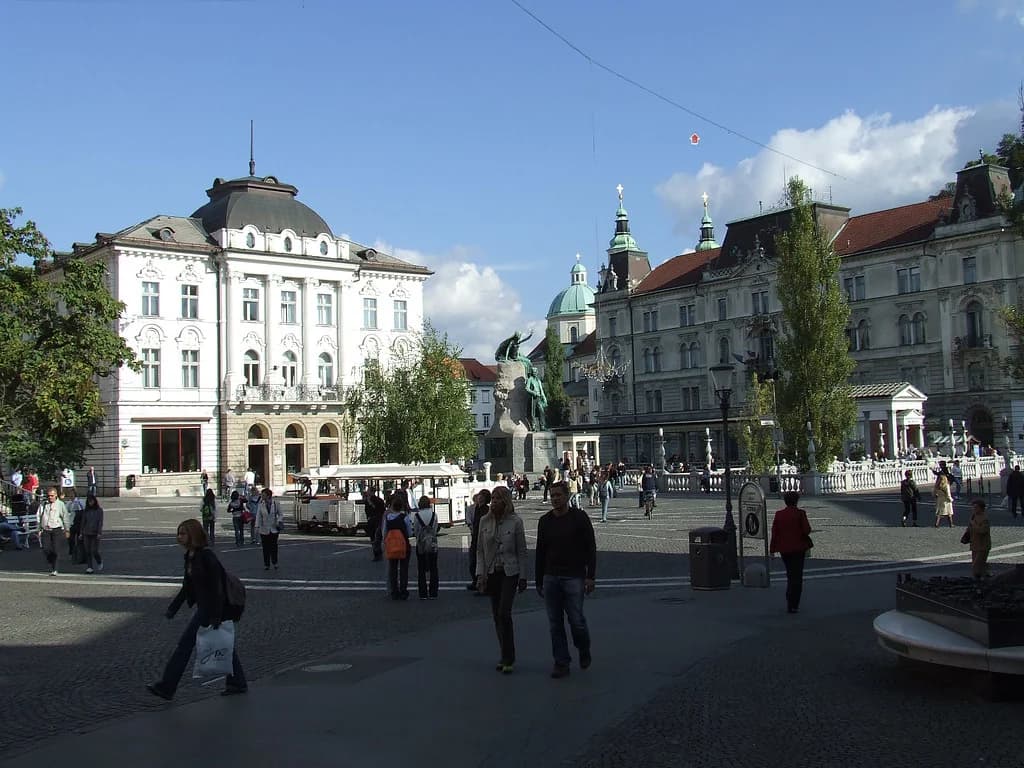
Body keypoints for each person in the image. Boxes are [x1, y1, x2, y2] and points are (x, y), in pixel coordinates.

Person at [147, 519, 247, 700]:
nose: (179, 537)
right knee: (223, 644)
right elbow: (187, 586)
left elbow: (218, 587)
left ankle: (167, 686)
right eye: (178, 533)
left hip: (213, 609)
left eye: (183, 533)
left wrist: (216, 615)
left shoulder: (207, 556)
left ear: (192, 535)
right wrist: (173, 608)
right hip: (206, 608)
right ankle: (237, 682)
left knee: (185, 646)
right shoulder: (190, 556)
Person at [535, 482, 595, 679]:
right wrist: (538, 579)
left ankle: (583, 647)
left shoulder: (579, 517)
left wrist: (590, 576)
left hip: (574, 575)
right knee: (555, 623)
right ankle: (561, 662)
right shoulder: (545, 521)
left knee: (576, 620)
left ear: (567, 496)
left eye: (558, 495)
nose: (555, 499)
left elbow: (590, 547)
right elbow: (540, 551)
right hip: (551, 575)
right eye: (552, 495)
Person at [476, 486, 529, 674]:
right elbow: (480, 551)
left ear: (506, 501)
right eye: (493, 499)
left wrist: (523, 576)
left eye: (498, 499)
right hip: (491, 572)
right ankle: (505, 653)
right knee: (496, 614)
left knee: (504, 612)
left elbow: (521, 551)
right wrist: (480, 574)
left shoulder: (515, 522)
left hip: (510, 571)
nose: (494, 502)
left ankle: (508, 656)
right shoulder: (484, 521)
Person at [769, 490, 813, 614]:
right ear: (796, 501)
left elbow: (774, 532)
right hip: (798, 548)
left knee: (790, 573)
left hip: (784, 549)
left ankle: (789, 599)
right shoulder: (800, 513)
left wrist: (772, 549)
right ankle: (794, 604)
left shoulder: (779, 514)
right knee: (797, 576)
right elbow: (807, 530)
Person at [383, 496, 412, 599]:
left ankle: (394, 591)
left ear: (393, 506)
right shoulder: (405, 517)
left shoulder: (388, 518)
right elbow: (409, 533)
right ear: (401, 507)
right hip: (404, 546)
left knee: (393, 568)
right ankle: (403, 590)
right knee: (404, 569)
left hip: (391, 546)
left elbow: (384, 533)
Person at [413, 495, 439, 600]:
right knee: (434, 567)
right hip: (432, 543)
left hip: (421, 544)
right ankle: (433, 592)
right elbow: (436, 528)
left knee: (421, 568)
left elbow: (416, 530)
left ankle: (423, 592)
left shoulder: (417, 515)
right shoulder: (434, 514)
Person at [38, 486, 69, 576]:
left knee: (56, 550)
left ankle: (55, 569)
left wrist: (67, 529)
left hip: (57, 529)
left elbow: (65, 517)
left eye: (52, 496)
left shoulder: (60, 504)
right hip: (46, 529)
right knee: (45, 548)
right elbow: (39, 516)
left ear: (56, 495)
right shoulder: (44, 504)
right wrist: (39, 528)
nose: (50, 497)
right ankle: (50, 560)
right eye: (48, 496)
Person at [467, 489, 490, 591]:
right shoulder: (475, 508)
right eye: (479, 496)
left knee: (480, 562)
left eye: (482, 496)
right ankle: (476, 581)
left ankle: (481, 584)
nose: (479, 497)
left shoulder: (486, 510)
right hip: (475, 537)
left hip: (483, 539)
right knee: (473, 562)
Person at [256, 488, 285, 570]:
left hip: (274, 528)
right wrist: (257, 527)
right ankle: (266, 564)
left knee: (274, 547)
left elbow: (281, 514)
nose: (262, 496)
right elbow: (258, 516)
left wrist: (278, 521)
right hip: (264, 529)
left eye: (263, 495)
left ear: (268, 496)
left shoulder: (276, 503)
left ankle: (275, 562)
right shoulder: (261, 504)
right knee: (265, 548)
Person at [964, 498, 991, 579]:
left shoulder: (984, 519)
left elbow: (982, 530)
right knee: (979, 564)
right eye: (973, 507)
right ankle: (984, 576)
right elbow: (969, 528)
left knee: (977, 565)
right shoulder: (973, 516)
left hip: (983, 545)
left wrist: (973, 524)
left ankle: (979, 577)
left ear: (981, 508)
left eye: (976, 507)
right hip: (974, 544)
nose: (974, 509)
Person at [81, 494, 104, 573]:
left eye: (92, 501)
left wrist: (99, 532)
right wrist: (81, 533)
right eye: (89, 501)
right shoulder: (86, 511)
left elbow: (100, 522)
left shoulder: (99, 510)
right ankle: (90, 567)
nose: (90, 503)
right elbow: (83, 522)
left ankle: (99, 561)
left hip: (95, 532)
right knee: (87, 550)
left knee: (94, 550)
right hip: (86, 532)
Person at [364, 486, 385, 561]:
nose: (367, 492)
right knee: (377, 538)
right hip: (378, 520)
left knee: (373, 538)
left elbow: (367, 511)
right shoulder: (380, 500)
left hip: (373, 520)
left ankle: (376, 554)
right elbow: (383, 511)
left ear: (371, 492)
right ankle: (378, 553)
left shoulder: (369, 500)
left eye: (368, 491)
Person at [65, 488, 85, 557]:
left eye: (72, 494)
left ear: (75, 494)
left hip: (79, 523)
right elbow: (66, 512)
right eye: (69, 494)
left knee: (80, 539)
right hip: (71, 523)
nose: (70, 496)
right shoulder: (68, 503)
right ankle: (72, 551)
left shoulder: (80, 501)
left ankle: (80, 553)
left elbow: (83, 510)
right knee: (70, 539)